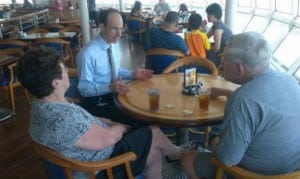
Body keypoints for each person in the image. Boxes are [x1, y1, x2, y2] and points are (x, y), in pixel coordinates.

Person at [16, 47, 185, 179]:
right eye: (64, 70)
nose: (68, 72)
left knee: (153, 150)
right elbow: (109, 138)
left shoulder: (40, 105)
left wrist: (104, 120)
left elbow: (80, 125)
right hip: (100, 169)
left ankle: (167, 163)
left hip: (85, 157)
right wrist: (119, 127)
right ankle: (179, 154)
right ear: (55, 83)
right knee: (152, 132)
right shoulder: (62, 119)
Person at [180, 32, 300, 178]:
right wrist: (225, 92)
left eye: (224, 60)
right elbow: (262, 102)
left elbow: (228, 159)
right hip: (292, 171)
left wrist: (214, 141)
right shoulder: (289, 80)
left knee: (188, 158)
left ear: (239, 68)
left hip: (252, 175)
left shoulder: (242, 100)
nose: (221, 65)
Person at [76, 9, 153, 127]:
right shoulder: (88, 54)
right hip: (96, 102)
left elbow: (114, 71)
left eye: (121, 28)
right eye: (114, 28)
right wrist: (110, 87)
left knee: (145, 108)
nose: (119, 34)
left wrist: (133, 74)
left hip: (113, 95)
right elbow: (83, 89)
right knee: (139, 119)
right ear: (102, 27)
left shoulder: (114, 45)